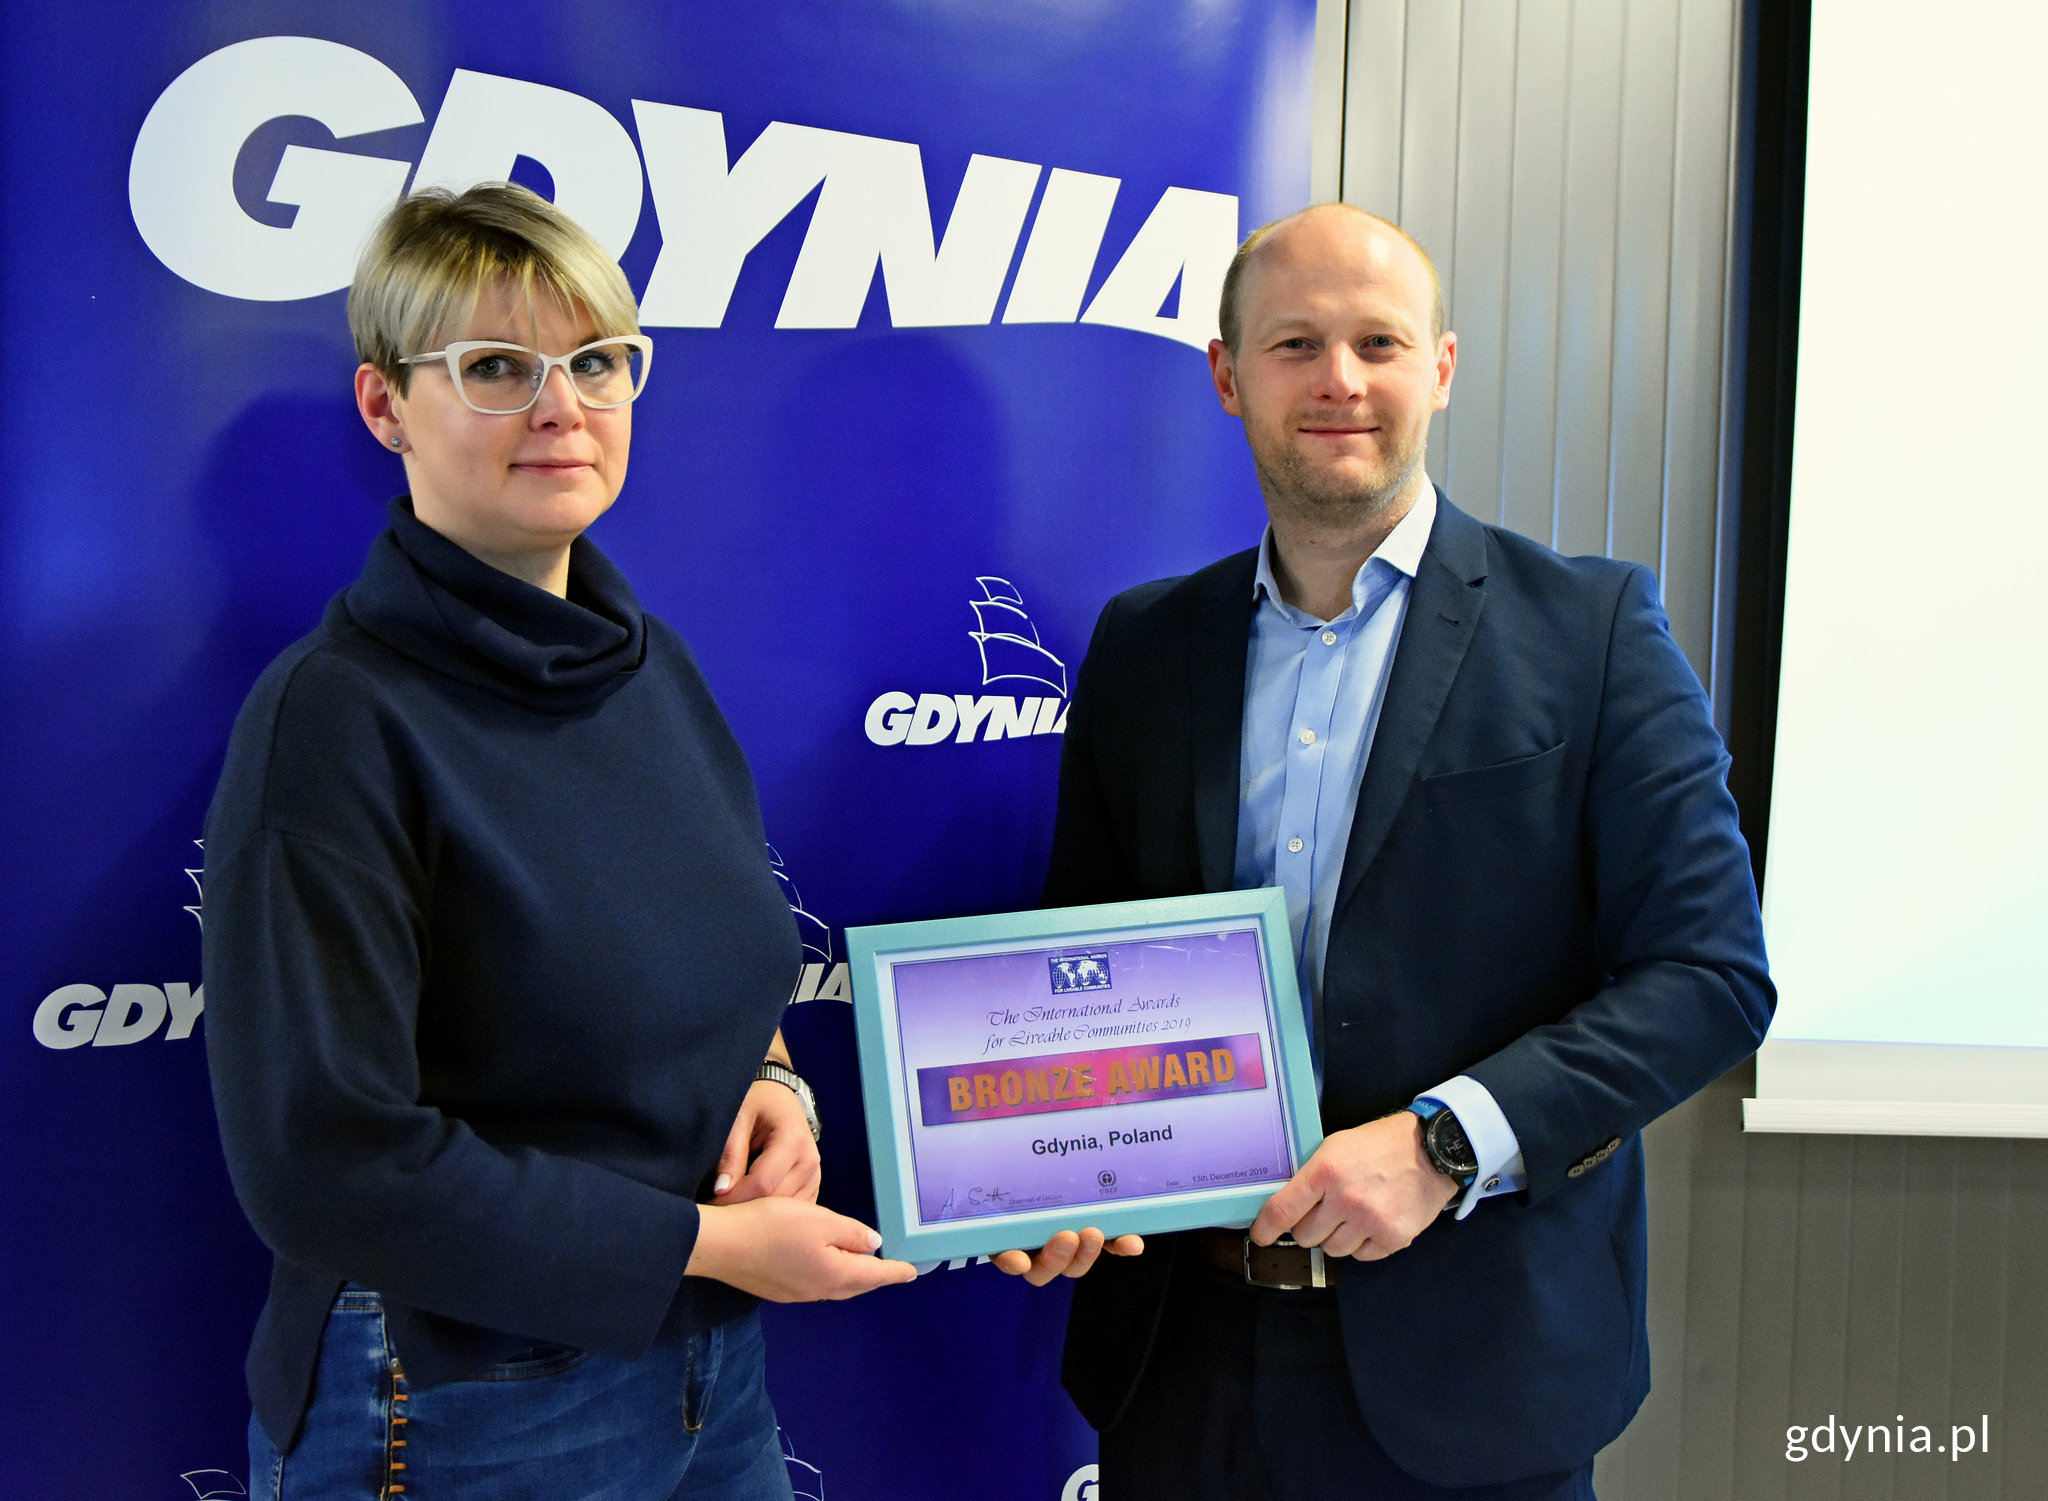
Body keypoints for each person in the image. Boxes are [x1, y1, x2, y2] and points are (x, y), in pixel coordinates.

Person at [996, 204, 1773, 1499]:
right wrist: (1064, 1160)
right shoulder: (1145, 645)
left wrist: (1442, 1144)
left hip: (1475, 1374)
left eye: (1379, 342)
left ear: (1442, 368)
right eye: (1295, 343)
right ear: (1228, 375)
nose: (1340, 380)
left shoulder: (1592, 634)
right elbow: (1084, 953)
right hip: (1178, 1366)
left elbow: (1710, 976)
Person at [202, 183, 914, 1501]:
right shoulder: (338, 722)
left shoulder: (653, 667)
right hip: (461, 1396)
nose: (561, 406)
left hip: (708, 1372)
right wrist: (706, 1243)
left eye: (595, 361)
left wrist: (772, 1085)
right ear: (385, 405)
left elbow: (712, 973)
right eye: (495, 368)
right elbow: (328, 1162)